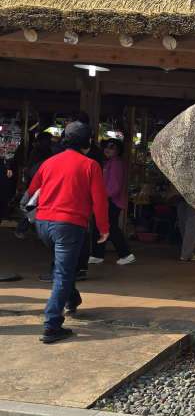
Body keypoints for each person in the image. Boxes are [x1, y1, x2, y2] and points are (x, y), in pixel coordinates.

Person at [28, 121, 109, 343]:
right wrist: (103, 228)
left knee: (65, 266)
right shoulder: (91, 165)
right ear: (88, 142)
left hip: (43, 223)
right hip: (69, 225)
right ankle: (52, 325)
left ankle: (72, 299)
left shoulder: (49, 162)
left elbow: (33, 190)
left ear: (63, 140)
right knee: (63, 272)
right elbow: (100, 200)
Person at [39, 111, 102, 282]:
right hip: (80, 206)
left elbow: (39, 184)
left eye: (68, 121)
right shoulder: (94, 152)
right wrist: (103, 225)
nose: (65, 124)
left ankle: (61, 274)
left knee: (62, 247)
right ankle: (78, 271)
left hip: (58, 204)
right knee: (79, 236)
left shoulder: (62, 147)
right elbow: (99, 194)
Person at [89, 138, 135, 265]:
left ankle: (126, 254)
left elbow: (115, 184)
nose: (108, 149)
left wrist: (107, 199)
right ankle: (97, 254)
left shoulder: (116, 164)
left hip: (111, 201)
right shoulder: (106, 163)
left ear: (119, 150)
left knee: (110, 226)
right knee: (99, 225)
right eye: (106, 146)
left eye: (112, 147)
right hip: (105, 200)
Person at [15, 131, 54, 239]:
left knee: (37, 205)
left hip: (41, 180)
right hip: (35, 181)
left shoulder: (47, 150)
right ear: (41, 140)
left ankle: (34, 228)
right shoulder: (38, 151)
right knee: (31, 205)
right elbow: (39, 166)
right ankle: (20, 229)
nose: (50, 141)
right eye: (47, 139)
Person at [167, 184, 195, 261]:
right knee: (192, 226)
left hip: (179, 195)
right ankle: (187, 254)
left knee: (183, 225)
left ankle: (189, 251)